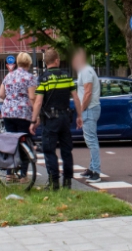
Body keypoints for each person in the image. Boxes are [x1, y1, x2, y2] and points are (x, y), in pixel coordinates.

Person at [30, 48, 79, 190]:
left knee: (49, 150)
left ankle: (54, 182)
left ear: (46, 63)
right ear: (57, 60)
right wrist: (80, 116)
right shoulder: (67, 76)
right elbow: (75, 97)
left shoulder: (43, 78)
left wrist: (33, 121)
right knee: (66, 150)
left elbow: (38, 102)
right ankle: (68, 181)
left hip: (50, 120)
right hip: (65, 118)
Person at [0, 52, 37, 180]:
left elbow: (1, 94)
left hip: (7, 112)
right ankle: (23, 175)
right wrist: (36, 115)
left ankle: (9, 174)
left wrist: (11, 99)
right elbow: (32, 97)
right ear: (29, 63)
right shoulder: (29, 77)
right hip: (23, 112)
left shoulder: (8, 76)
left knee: (11, 142)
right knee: (24, 141)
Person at [72, 48, 101, 183]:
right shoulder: (84, 71)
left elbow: (88, 93)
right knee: (90, 139)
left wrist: (81, 110)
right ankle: (91, 168)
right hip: (90, 108)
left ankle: (96, 171)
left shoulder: (86, 71)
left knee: (91, 140)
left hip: (89, 108)